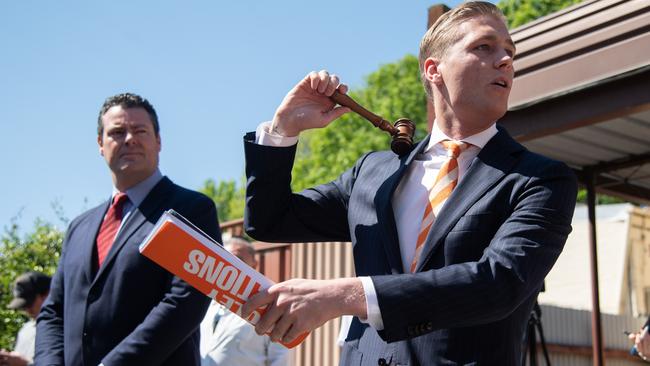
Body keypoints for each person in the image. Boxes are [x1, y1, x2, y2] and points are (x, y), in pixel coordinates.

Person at [241, 2, 578, 365]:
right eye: (484, 47)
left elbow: (500, 282)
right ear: (434, 70)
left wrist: (343, 295)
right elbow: (268, 220)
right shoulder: (372, 173)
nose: (506, 60)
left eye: (510, 52)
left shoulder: (539, 179)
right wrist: (282, 130)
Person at [35, 93, 221, 366]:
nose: (129, 139)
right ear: (100, 143)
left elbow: (185, 301)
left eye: (140, 130)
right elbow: (53, 312)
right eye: (117, 132)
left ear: (159, 141)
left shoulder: (191, 210)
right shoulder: (78, 227)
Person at [199, 236, 290, 366]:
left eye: (238, 259)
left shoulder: (269, 306)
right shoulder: (206, 302)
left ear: (254, 264)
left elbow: (280, 358)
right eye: (226, 258)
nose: (230, 264)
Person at [0, 272, 51, 366]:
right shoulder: (25, 331)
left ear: (47, 295)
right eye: (23, 307)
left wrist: (26, 364)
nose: (27, 310)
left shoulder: (65, 329)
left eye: (29, 304)